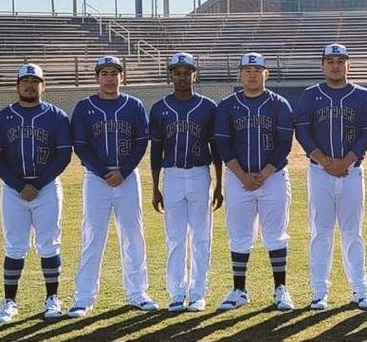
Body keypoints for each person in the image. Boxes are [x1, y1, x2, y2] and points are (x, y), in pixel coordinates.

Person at [67, 56, 156, 318]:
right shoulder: (84, 106)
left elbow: (141, 142)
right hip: (97, 179)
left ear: (122, 77)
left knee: (133, 236)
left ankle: (137, 292)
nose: (109, 77)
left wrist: (123, 171)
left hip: (128, 178)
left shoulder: (134, 105)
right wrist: (104, 172)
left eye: (114, 73)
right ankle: (83, 297)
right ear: (97, 78)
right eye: (104, 73)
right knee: (92, 236)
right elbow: (80, 145)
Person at [0, 63, 72, 323]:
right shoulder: (2, 116)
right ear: (17, 86)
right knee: (14, 245)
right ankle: (9, 301)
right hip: (14, 190)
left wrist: (38, 184)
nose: (30, 85)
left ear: (42, 85)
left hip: (46, 188)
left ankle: (52, 299)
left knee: (49, 243)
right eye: (25, 81)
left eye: (35, 81)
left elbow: (64, 154)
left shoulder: (56, 116)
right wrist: (18, 184)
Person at [295, 43, 367, 310]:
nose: (335, 65)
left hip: (352, 171)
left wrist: (346, 161)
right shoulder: (310, 95)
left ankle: (360, 289)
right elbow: (303, 132)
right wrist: (324, 161)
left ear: (348, 65)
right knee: (321, 232)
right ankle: (319, 290)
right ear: (322, 66)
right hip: (319, 172)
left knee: (353, 232)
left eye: (340, 60)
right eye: (330, 61)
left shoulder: (362, 95)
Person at [213, 52, 296, 311]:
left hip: (273, 178)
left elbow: (284, 144)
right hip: (238, 178)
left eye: (257, 70)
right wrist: (242, 175)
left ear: (265, 74)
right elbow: (223, 144)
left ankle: (280, 289)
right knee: (239, 235)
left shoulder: (279, 103)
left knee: (276, 234)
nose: (252, 74)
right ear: (240, 74)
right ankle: (239, 290)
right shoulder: (227, 105)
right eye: (247, 70)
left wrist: (265, 173)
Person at [150, 52, 224, 312]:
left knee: (202, 236)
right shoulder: (160, 108)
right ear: (170, 75)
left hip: (199, 173)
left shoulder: (207, 107)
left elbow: (216, 149)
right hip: (172, 175)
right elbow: (156, 151)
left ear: (195, 74)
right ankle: (176, 291)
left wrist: (218, 184)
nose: (182, 77)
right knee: (175, 237)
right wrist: (155, 187)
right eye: (177, 72)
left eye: (187, 72)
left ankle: (198, 292)